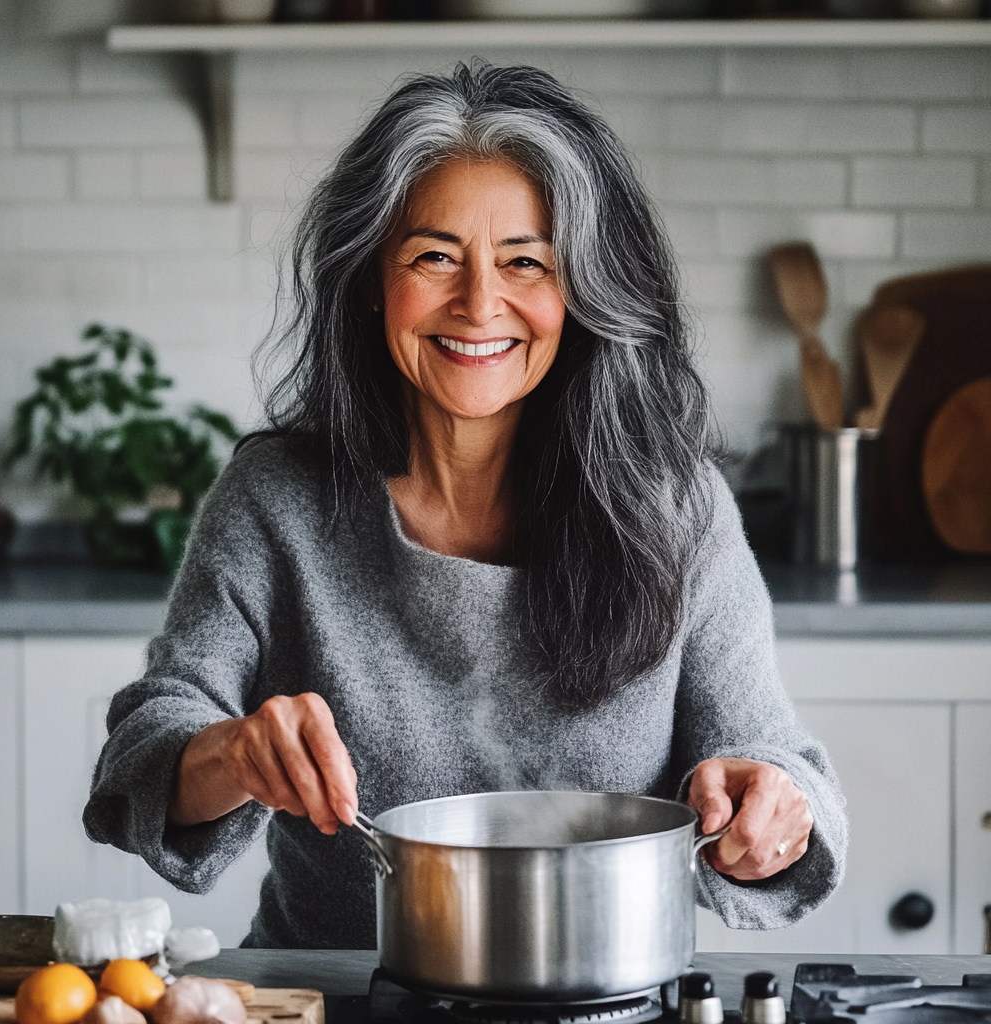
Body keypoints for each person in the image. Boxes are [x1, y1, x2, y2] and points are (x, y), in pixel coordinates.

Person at [84, 61, 847, 950]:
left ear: (583, 291)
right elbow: (143, 753)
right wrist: (231, 753)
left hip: (613, 990)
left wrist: (772, 809)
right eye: (435, 256)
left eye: (525, 261)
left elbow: (780, 764)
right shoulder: (276, 500)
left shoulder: (677, 511)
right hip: (334, 995)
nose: (480, 303)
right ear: (373, 278)